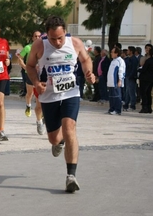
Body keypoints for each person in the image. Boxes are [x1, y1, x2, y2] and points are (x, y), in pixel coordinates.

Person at [26, 16, 95, 193]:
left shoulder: (76, 43)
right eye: (52, 38)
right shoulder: (39, 45)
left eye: (60, 38)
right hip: (49, 96)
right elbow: (30, 66)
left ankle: (71, 176)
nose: (57, 42)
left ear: (65, 31)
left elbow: (86, 59)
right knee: (54, 139)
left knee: (69, 127)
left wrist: (89, 73)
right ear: (46, 35)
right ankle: (60, 141)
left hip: (71, 92)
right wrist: (36, 82)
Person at [16, 31, 42, 117]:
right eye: (36, 36)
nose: (37, 38)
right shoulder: (27, 48)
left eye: (39, 36)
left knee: (41, 93)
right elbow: (20, 59)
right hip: (29, 73)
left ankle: (41, 111)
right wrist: (25, 67)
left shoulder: (44, 47)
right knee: (30, 93)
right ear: (33, 38)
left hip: (40, 74)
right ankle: (28, 106)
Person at [106, 45, 126, 115]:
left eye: (112, 52)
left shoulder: (120, 61)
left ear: (116, 53)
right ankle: (112, 109)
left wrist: (120, 80)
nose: (111, 53)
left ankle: (117, 110)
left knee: (117, 96)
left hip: (116, 82)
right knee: (111, 96)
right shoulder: (113, 61)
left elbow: (121, 71)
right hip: (111, 82)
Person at [123, 46, 138, 112]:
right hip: (127, 76)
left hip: (131, 77)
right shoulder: (128, 59)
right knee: (127, 92)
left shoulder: (134, 59)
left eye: (128, 50)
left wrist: (130, 76)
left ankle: (132, 106)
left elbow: (134, 69)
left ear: (131, 51)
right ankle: (126, 105)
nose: (127, 52)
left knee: (131, 92)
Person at [138, 47, 153, 113]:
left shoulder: (149, 61)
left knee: (143, 93)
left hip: (145, 79)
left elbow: (144, 69)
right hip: (151, 79)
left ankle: (144, 107)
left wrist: (139, 69)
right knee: (148, 93)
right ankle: (149, 107)